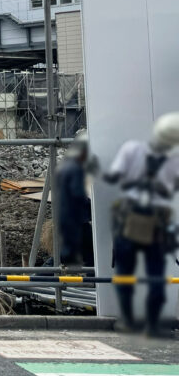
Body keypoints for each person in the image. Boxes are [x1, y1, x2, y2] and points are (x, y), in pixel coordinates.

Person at [103, 112, 179, 336]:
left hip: (130, 217)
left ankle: (126, 321)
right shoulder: (174, 160)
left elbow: (113, 177)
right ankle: (153, 325)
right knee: (156, 272)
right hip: (156, 220)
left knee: (126, 271)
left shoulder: (132, 149)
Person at [54, 130, 94, 269]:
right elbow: (78, 194)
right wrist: (93, 208)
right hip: (78, 220)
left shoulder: (66, 165)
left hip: (67, 218)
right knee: (89, 255)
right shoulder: (76, 168)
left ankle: (39, 277)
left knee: (68, 255)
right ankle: (40, 277)